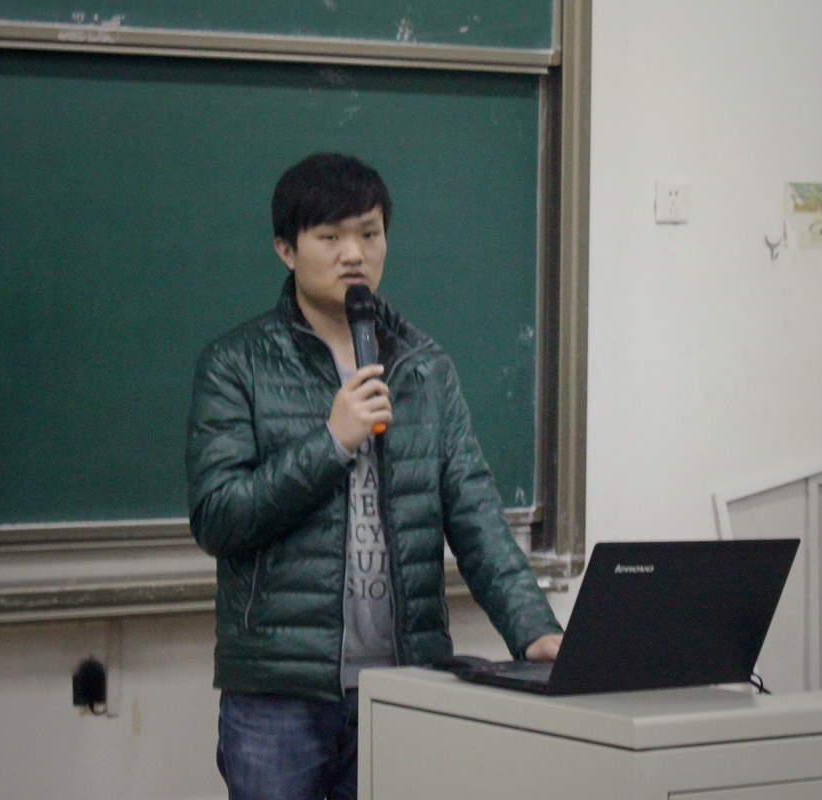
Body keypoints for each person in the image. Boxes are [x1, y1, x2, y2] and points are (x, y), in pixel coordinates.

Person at [185, 152, 564, 800]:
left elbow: (475, 512)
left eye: (369, 232)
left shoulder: (423, 367)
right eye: (330, 236)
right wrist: (331, 443)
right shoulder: (237, 363)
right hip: (281, 693)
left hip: (405, 683)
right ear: (285, 249)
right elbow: (219, 518)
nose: (353, 253)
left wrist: (534, 629)